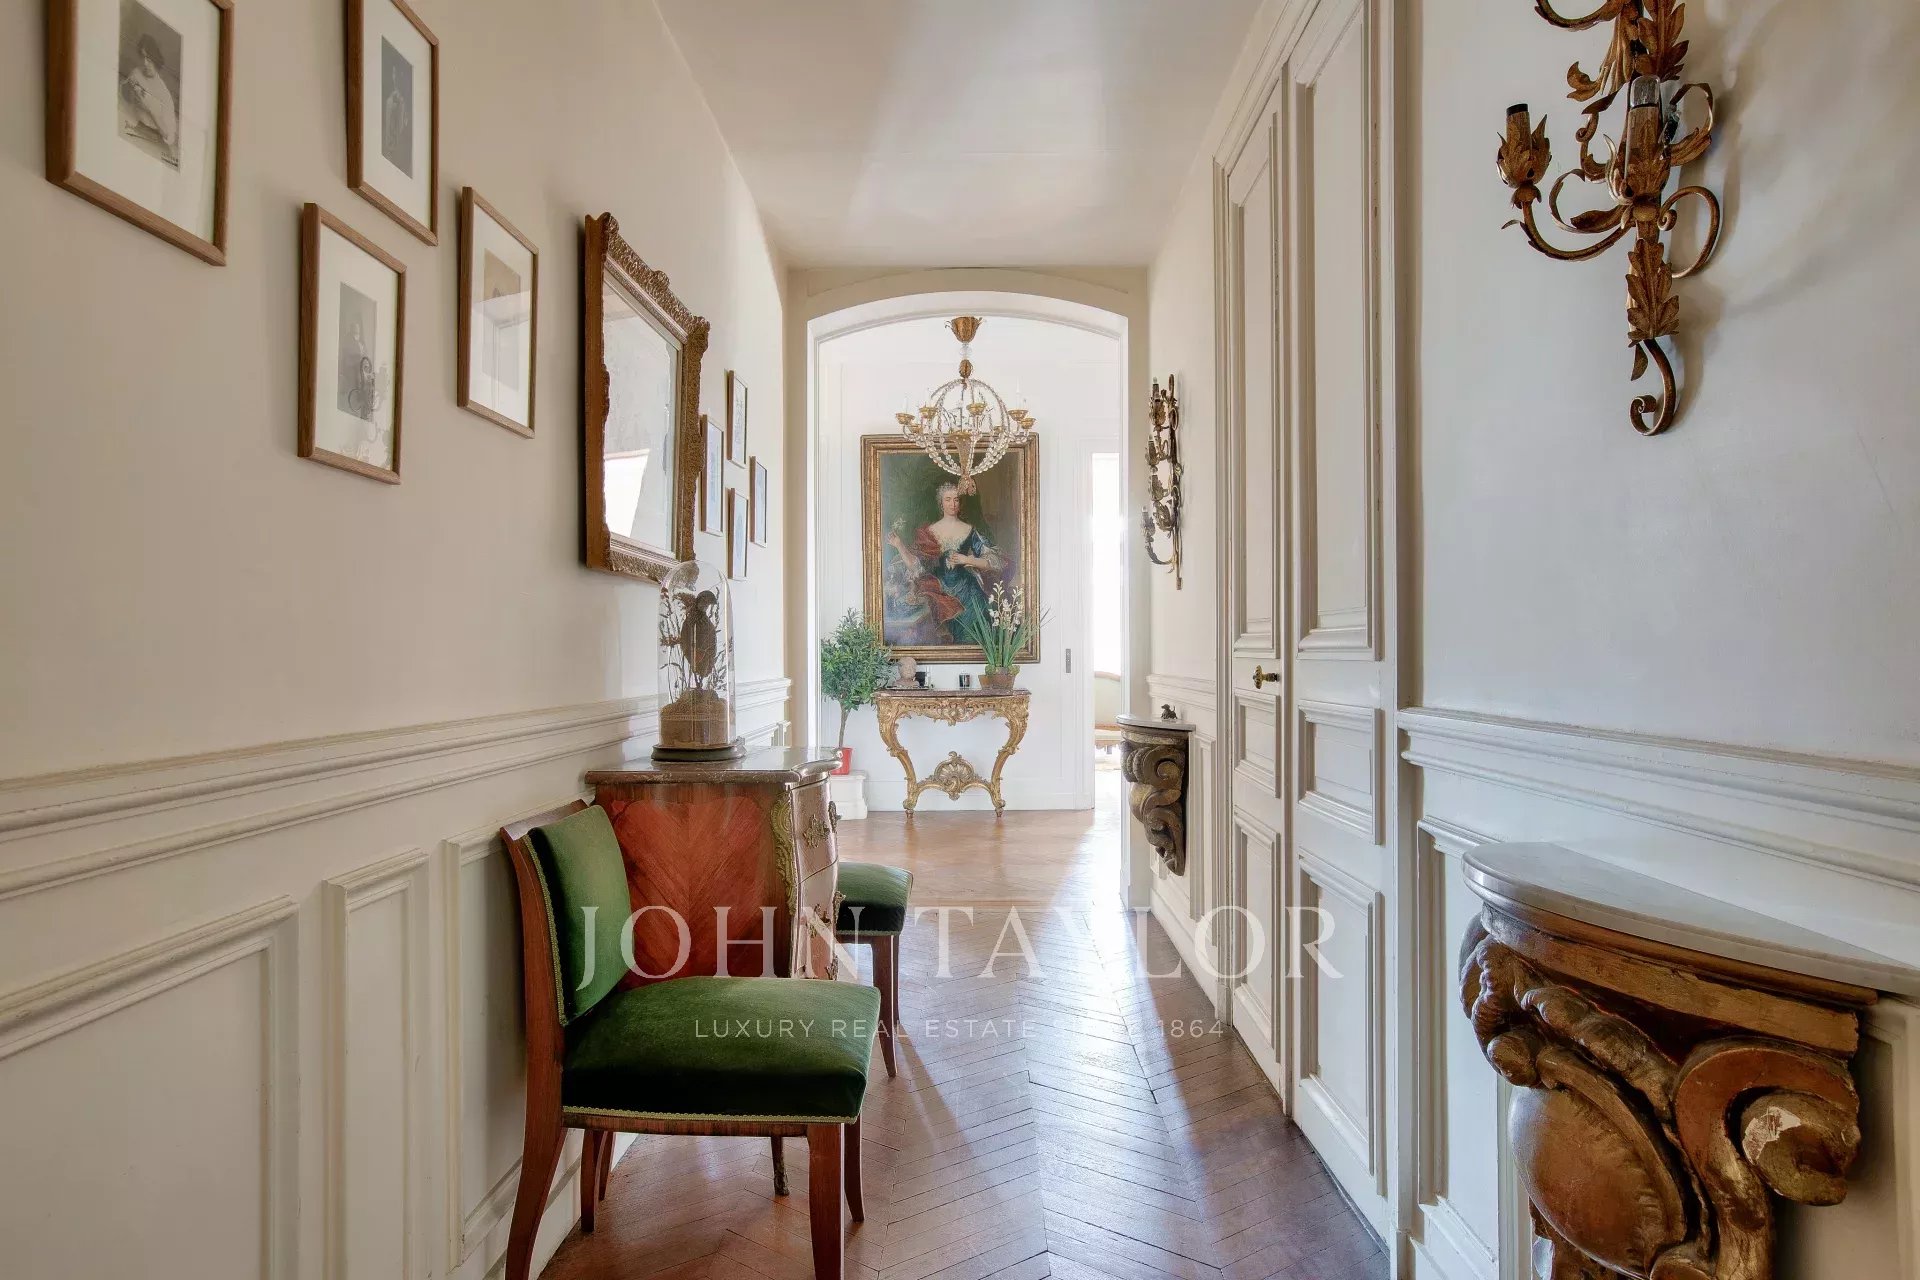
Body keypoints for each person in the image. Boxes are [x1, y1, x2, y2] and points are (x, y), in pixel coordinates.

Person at [885, 481, 1006, 643]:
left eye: (956, 499)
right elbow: (916, 567)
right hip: (939, 592)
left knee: (972, 635)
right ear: (941, 503)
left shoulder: (970, 530)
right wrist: (899, 545)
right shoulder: (929, 532)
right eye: (948, 499)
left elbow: (994, 562)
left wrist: (968, 559)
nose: (953, 504)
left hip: (968, 592)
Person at [120, 35, 179, 167]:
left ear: (156, 60)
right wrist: (129, 90)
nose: (145, 63)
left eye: (149, 59)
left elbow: (169, 137)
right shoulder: (136, 73)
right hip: (133, 124)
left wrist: (150, 110)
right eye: (143, 57)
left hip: (154, 139)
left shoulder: (164, 95)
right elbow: (124, 95)